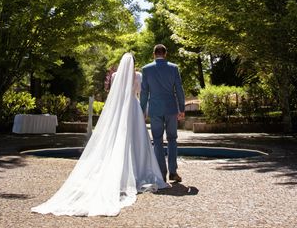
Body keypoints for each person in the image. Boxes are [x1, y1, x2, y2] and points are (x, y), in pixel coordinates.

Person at [31, 53, 168, 217]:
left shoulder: (115, 75)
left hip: (119, 108)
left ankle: (123, 171)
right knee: (137, 140)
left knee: (119, 138)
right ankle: (137, 170)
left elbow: (113, 92)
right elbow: (140, 92)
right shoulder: (139, 75)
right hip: (133, 106)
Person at [140, 44, 185, 183]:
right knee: (172, 139)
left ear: (154, 54)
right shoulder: (173, 68)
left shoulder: (146, 69)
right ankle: (173, 172)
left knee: (158, 141)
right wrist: (182, 108)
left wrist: (142, 111)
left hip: (155, 110)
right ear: (165, 54)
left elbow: (144, 92)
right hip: (171, 109)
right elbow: (179, 89)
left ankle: (161, 174)